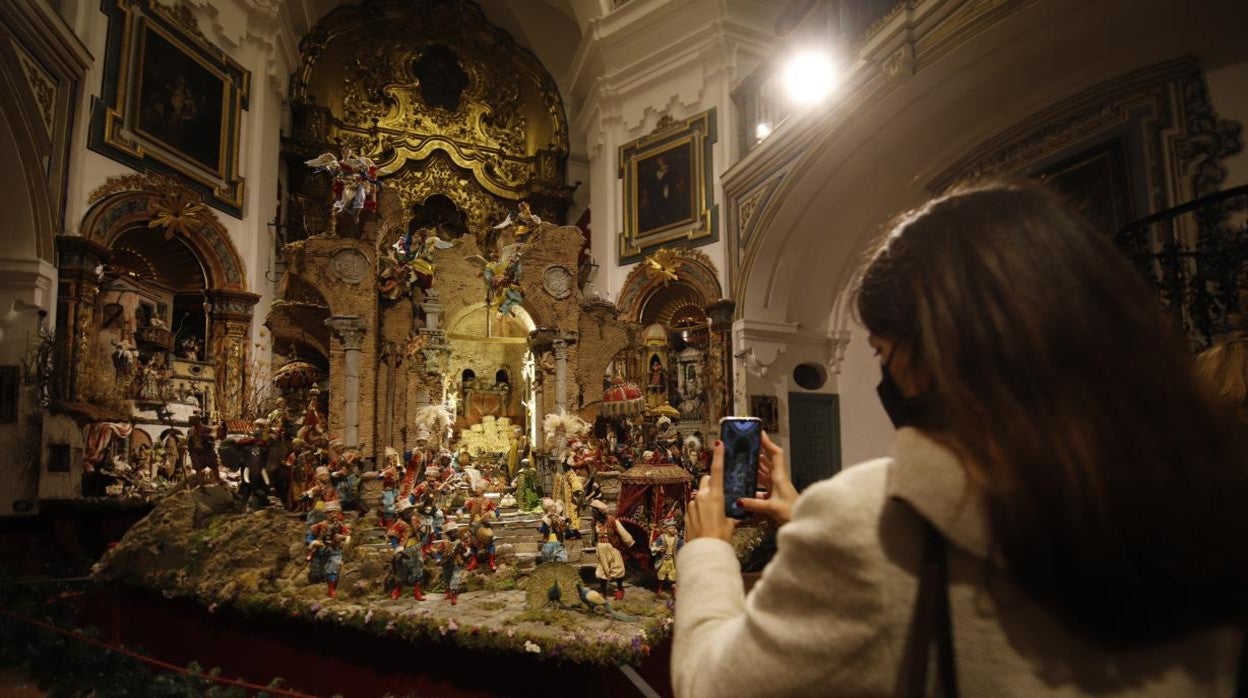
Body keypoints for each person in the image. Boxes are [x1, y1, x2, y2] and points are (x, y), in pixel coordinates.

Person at [672, 181, 1248, 697]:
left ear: (942, 353)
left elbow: (711, 685)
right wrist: (805, 518)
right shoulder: (1206, 502)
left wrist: (709, 551)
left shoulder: (868, 521)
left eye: (882, 352)